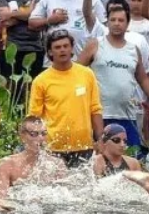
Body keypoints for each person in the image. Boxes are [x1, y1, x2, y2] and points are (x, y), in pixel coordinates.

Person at [78, 5, 149, 147]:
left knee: (131, 156)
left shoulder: (133, 50)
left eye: (121, 20)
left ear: (127, 24)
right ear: (107, 22)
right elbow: (76, 72)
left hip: (126, 114)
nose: (116, 23)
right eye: (113, 20)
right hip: (99, 115)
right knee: (99, 156)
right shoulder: (95, 45)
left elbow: (143, 79)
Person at [29, 32, 103, 166]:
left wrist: (100, 140)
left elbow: (95, 109)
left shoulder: (86, 74)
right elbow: (35, 116)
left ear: (71, 49)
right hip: (52, 149)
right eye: (57, 47)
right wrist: (34, 146)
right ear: (50, 52)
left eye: (65, 46)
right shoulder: (41, 80)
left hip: (84, 146)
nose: (62, 50)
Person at [29, 0, 106, 56]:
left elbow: (104, 29)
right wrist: (49, 20)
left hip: (82, 59)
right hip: (52, 61)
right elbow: (31, 24)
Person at [0, 116, 67, 198]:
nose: (40, 138)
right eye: (34, 134)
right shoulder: (6, 164)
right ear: (22, 136)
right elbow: (0, 199)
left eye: (43, 134)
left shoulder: (57, 165)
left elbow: (64, 198)